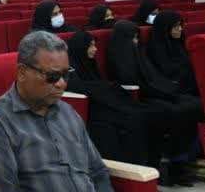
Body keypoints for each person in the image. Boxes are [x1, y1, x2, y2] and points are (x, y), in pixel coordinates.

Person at [0, 31, 205, 192]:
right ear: (22, 72)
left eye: (66, 75)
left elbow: (97, 172)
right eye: (52, 76)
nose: (61, 84)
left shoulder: (67, 113)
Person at [108, 20, 203, 186]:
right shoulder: (119, 56)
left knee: (195, 104)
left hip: (153, 93)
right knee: (172, 111)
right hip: (139, 99)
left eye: (137, 38)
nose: (136, 42)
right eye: (133, 38)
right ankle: (172, 164)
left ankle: (184, 160)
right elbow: (133, 82)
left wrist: (169, 91)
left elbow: (153, 77)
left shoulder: (139, 53)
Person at [67, 31, 166, 167]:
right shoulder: (71, 68)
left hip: (107, 104)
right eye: (91, 46)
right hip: (94, 110)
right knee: (136, 118)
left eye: (95, 45)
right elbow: (81, 88)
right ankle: (136, 166)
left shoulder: (89, 63)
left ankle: (152, 164)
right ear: (80, 48)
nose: (95, 49)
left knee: (152, 113)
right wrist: (105, 87)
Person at [146, 11, 199, 96]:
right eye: (175, 26)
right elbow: (167, 72)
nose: (180, 29)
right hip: (172, 88)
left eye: (180, 25)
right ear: (165, 28)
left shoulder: (178, 42)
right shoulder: (155, 48)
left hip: (188, 83)